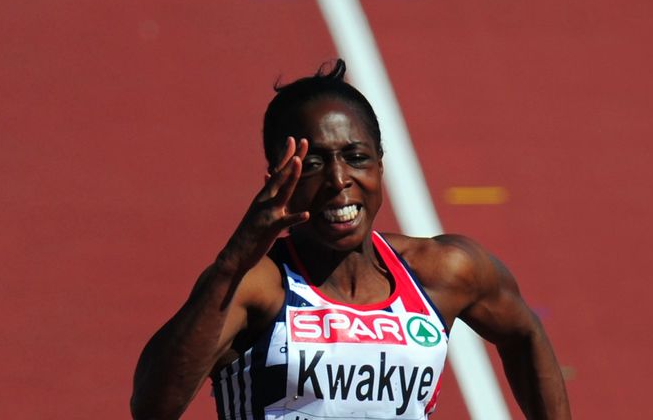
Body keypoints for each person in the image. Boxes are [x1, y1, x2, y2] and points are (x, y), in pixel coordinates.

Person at [131, 59, 571, 420]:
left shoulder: (443, 272)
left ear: (380, 166)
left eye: (356, 157)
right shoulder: (255, 287)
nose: (340, 181)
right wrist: (231, 263)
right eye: (315, 163)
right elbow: (153, 406)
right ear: (279, 177)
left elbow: (524, 333)